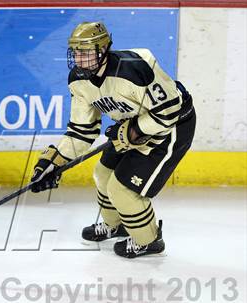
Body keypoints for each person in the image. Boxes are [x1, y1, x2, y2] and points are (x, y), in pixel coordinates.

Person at [30, 21, 196, 258]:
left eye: (86, 52)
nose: (79, 58)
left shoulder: (135, 68)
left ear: (103, 49)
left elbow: (169, 110)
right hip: (132, 125)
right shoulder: (78, 80)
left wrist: (133, 131)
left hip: (172, 126)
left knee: (122, 189)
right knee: (102, 173)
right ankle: (116, 225)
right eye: (76, 52)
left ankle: (148, 240)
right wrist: (54, 161)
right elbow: (81, 130)